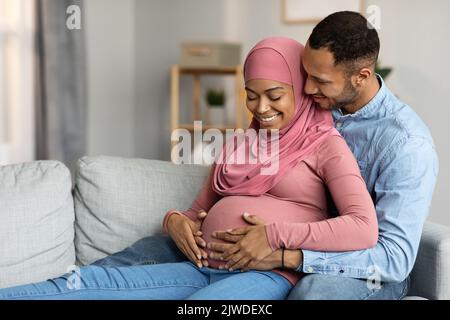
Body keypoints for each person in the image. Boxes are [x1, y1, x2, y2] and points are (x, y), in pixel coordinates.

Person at [90, 11, 439, 301]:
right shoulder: (310, 108)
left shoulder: (406, 144)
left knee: (314, 293)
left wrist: (291, 256)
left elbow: (393, 259)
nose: (307, 88)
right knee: (143, 256)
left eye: (318, 80)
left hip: (361, 269)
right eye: (305, 75)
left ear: (361, 77)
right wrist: (178, 220)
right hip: (266, 248)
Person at [0, 37, 378, 300]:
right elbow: (195, 210)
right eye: (251, 95)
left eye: (275, 95)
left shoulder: (327, 146)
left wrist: (276, 236)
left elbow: (363, 227)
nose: (261, 108)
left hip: (265, 275)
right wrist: (175, 222)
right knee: (91, 282)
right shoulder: (239, 145)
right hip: (200, 265)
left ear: (300, 89)